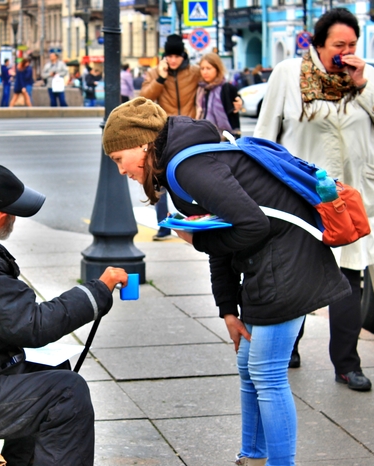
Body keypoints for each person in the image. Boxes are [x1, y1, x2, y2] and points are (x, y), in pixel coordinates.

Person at [102, 97, 351, 466]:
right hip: (268, 261)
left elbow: (251, 226)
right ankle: (251, 457)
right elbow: (222, 230)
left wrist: (196, 239)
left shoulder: (188, 166)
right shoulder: (182, 162)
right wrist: (228, 309)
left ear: (141, 143)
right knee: (250, 365)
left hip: (289, 261)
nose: (121, 171)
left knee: (266, 373)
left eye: (119, 160)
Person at [0, 163, 128, 465]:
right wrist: (98, 291)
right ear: (1, 215)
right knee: (67, 394)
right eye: (13, 212)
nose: (14, 219)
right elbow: (33, 325)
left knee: (51, 374)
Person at [254, 8, 374, 391]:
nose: (346, 51)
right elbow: (266, 136)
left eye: (352, 44)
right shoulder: (289, 75)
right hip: (302, 194)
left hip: (351, 195)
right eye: (339, 45)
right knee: (300, 274)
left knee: (348, 278)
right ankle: (290, 348)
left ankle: (347, 365)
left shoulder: (364, 79)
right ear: (318, 45)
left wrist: (364, 82)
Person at [139, 34, 200, 241]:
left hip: (190, 131)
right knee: (160, 181)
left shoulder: (194, 73)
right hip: (163, 133)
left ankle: (196, 221)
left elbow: (212, 83)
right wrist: (161, 78)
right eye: (169, 56)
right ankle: (163, 226)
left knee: (192, 179)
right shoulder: (156, 72)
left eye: (177, 56)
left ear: (183, 55)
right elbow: (145, 97)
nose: (173, 60)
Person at [196, 53, 242, 139]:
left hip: (225, 138)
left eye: (208, 68)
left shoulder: (227, 87)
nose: (205, 72)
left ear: (217, 69)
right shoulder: (201, 89)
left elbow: (235, 110)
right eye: (202, 68)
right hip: (204, 136)